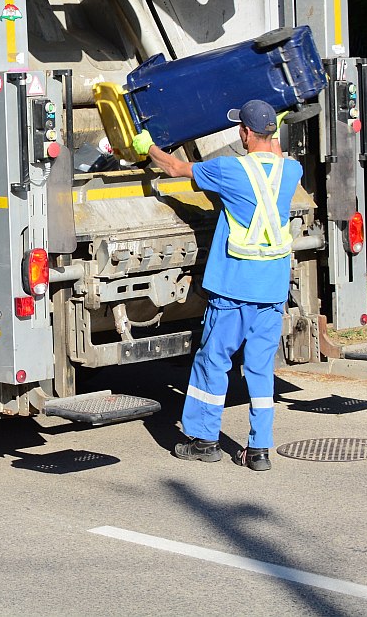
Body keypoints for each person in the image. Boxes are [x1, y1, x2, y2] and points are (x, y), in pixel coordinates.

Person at [132, 98, 301, 471]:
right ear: (272, 133)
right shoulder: (291, 172)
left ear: (244, 133)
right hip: (272, 292)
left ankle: (205, 440)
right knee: (259, 369)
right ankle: (259, 450)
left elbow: (176, 167)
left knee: (213, 362)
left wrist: (148, 148)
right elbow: (274, 153)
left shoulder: (230, 170)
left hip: (233, 292)